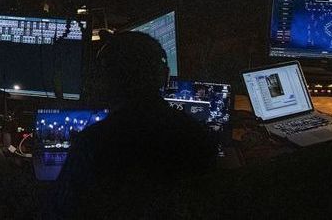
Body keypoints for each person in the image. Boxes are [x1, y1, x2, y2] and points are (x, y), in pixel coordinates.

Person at [49, 31, 217, 218]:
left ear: (105, 79)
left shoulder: (92, 144)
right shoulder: (198, 136)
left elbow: (61, 210)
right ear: (164, 76)